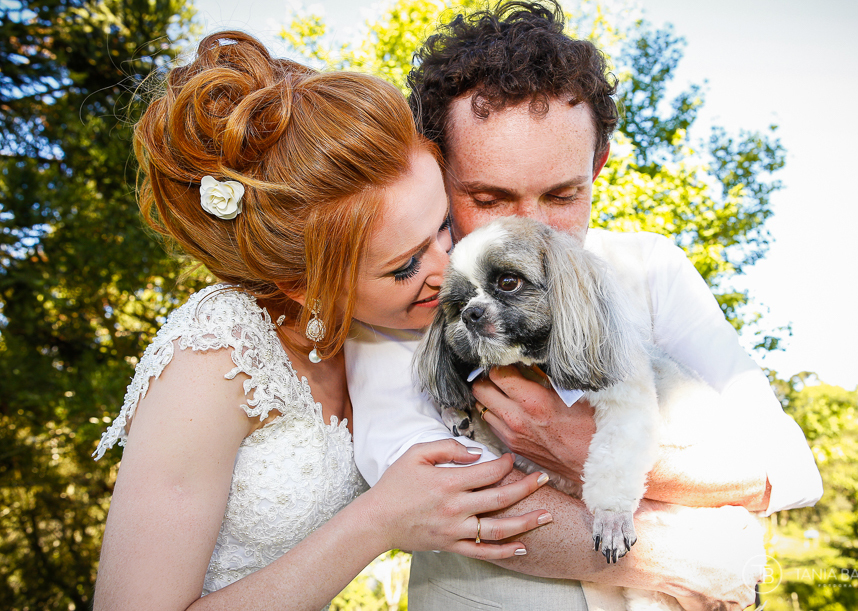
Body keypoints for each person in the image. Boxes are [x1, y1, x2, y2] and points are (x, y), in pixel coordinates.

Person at [346, 1, 824, 609]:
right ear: (439, 178)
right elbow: (439, 495)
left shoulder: (652, 269)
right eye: (491, 198)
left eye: (563, 194)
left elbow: (786, 466)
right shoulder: (409, 301)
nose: (533, 229)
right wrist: (701, 552)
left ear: (598, 167)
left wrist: (580, 444)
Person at [90, 31, 557, 611]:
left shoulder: (400, 326)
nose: (452, 268)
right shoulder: (215, 356)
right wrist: (377, 523)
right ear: (303, 285)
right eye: (406, 264)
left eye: (443, 227)